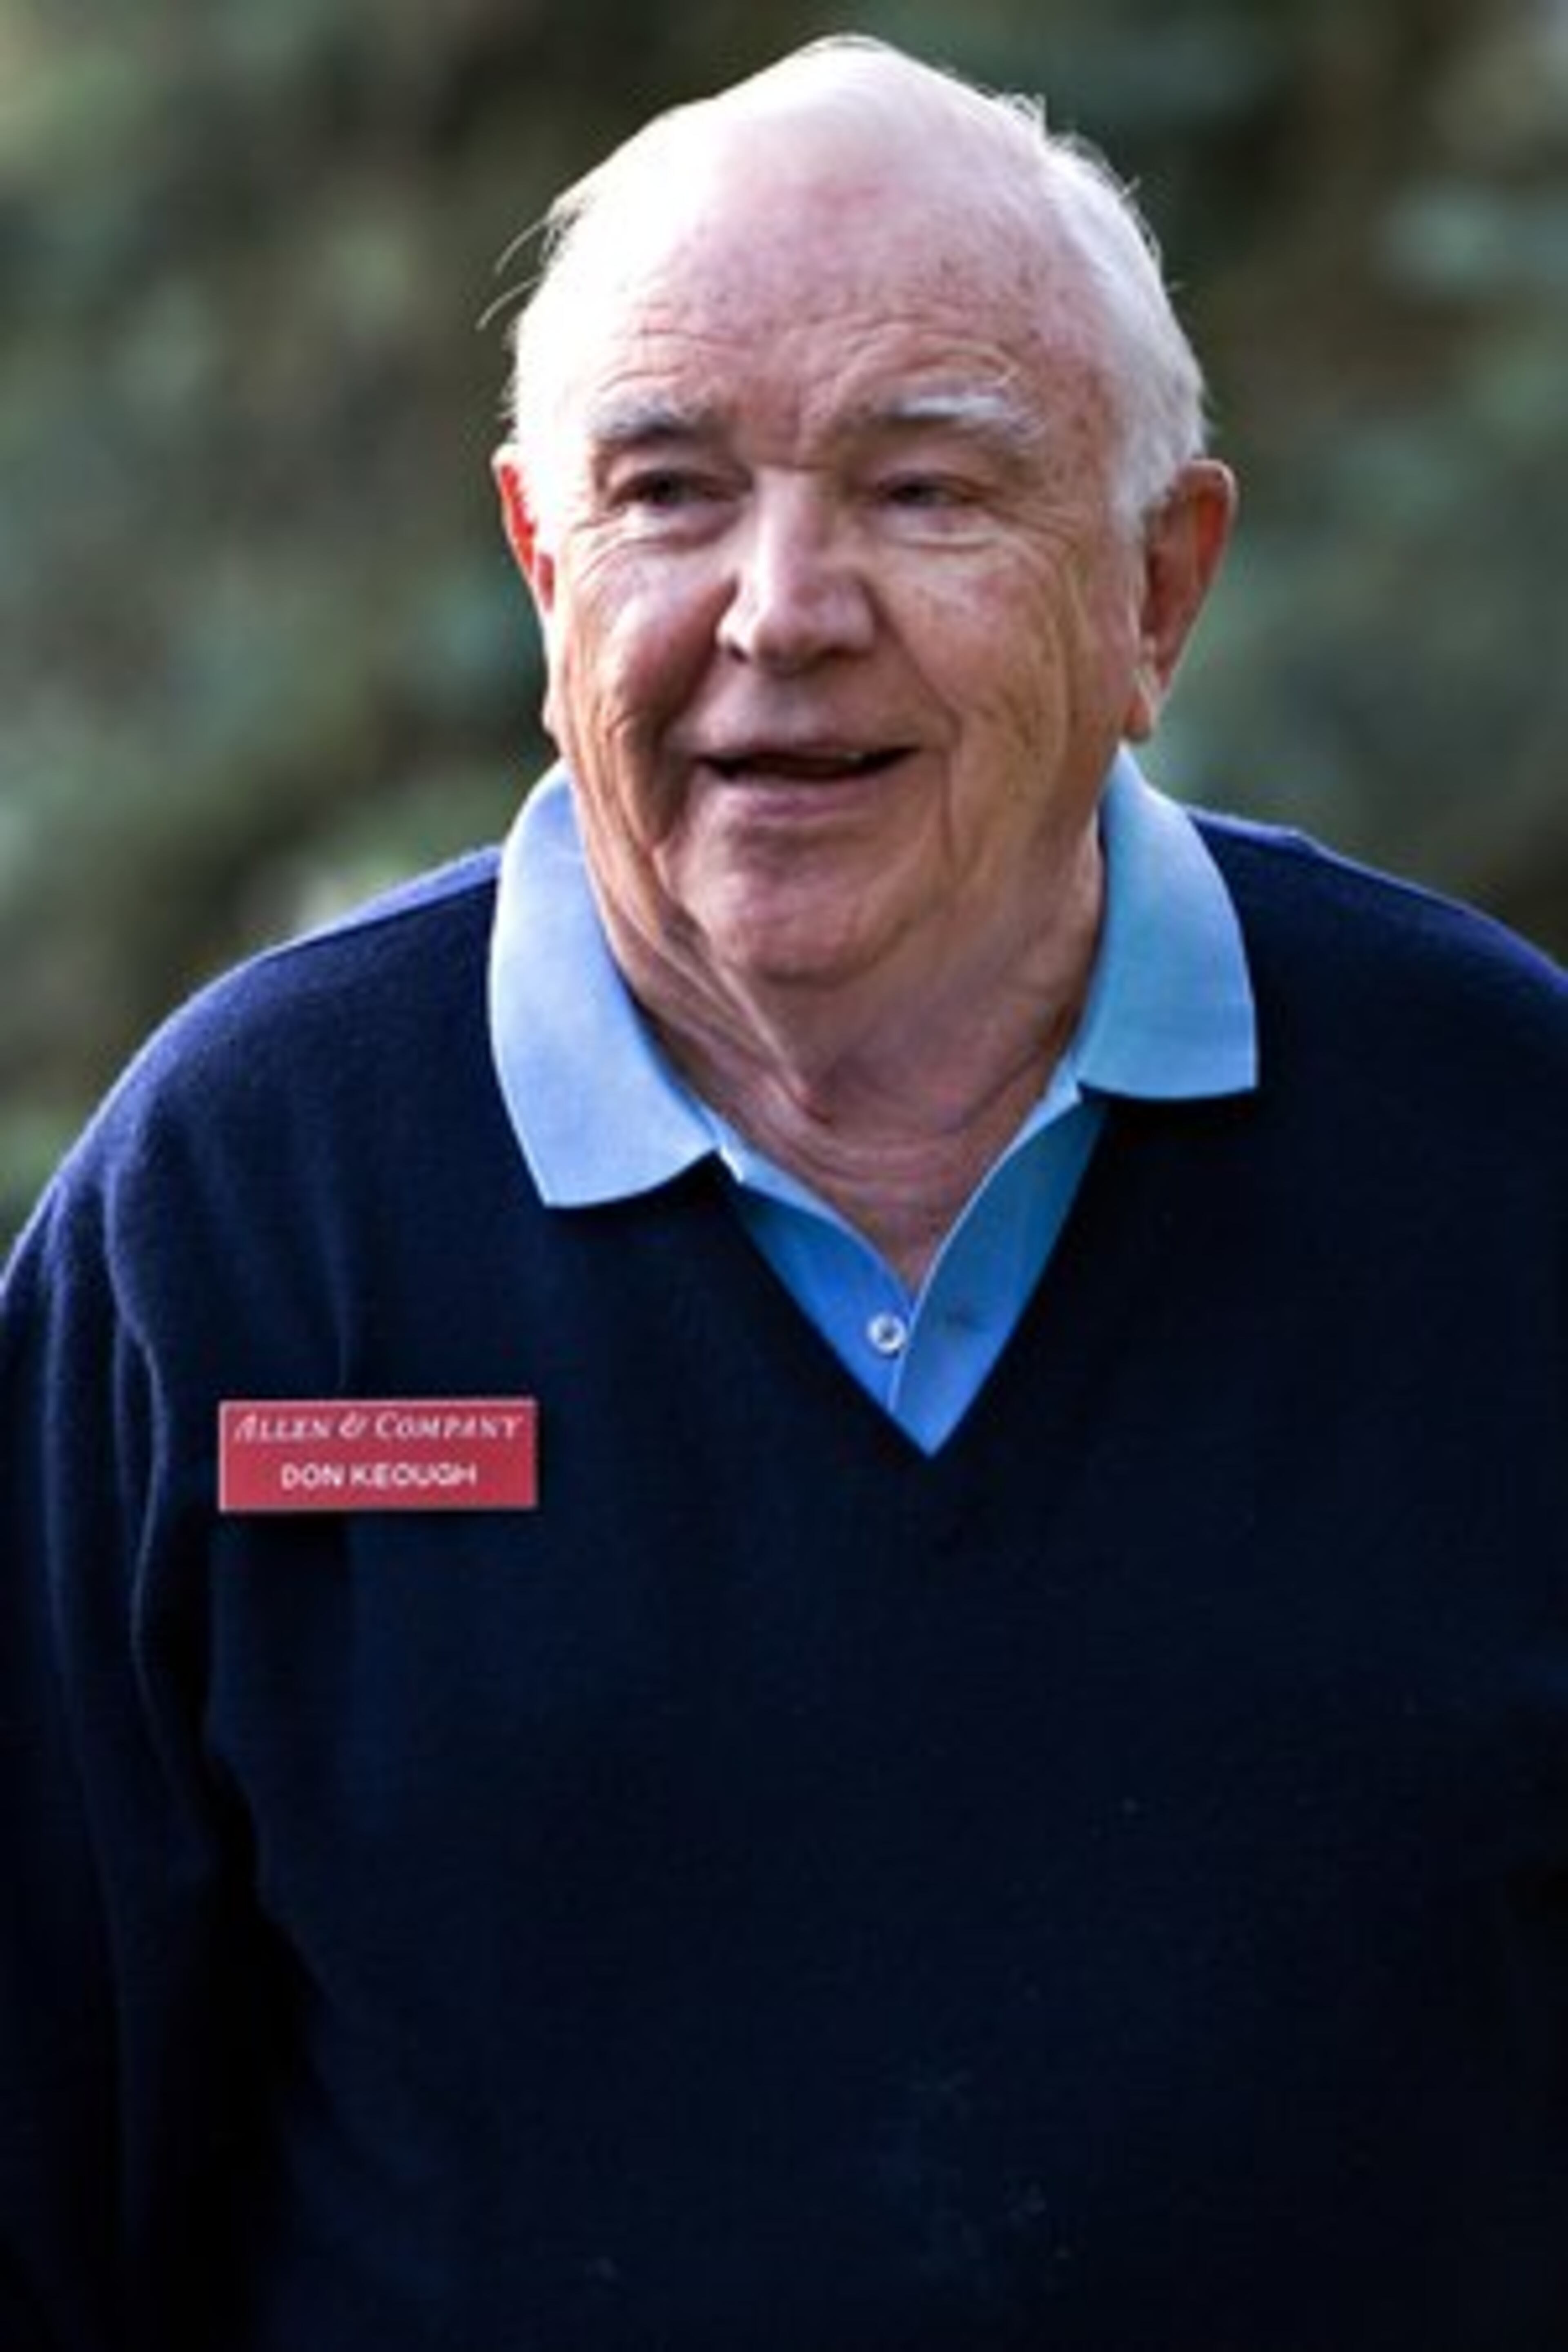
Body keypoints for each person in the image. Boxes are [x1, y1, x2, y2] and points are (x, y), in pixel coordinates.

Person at [2, 33, 1565, 2352]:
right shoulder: (235, 1210)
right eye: (667, 491)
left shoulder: (1503, 1145)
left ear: (1161, 590)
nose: (781, 608)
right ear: (544, 570)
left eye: (927, 490)